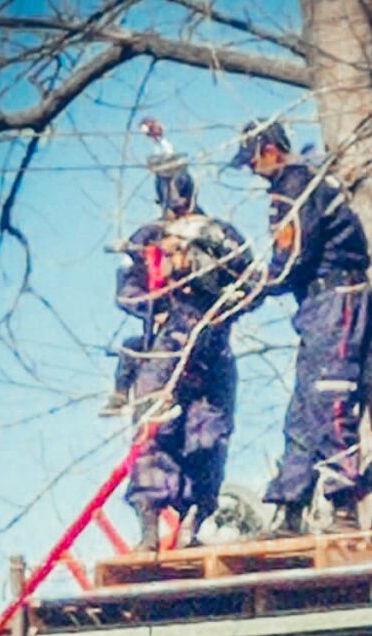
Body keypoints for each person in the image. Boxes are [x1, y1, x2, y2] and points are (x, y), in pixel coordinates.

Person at [230, 120, 372, 536]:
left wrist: (257, 288)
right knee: (304, 405)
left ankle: (344, 503)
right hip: (318, 304)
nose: (253, 171)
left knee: (331, 394)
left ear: (269, 150)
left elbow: (293, 253)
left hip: (337, 296)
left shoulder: (296, 185)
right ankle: (291, 504)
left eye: (253, 160)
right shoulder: (301, 184)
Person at [106, 160, 252, 551]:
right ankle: (149, 532)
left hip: (213, 346)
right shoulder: (147, 238)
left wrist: (223, 302)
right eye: (171, 190)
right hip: (164, 343)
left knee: (209, 437)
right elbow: (127, 292)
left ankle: (193, 523)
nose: (179, 199)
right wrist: (163, 299)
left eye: (183, 189)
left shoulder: (219, 234)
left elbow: (252, 282)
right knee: (154, 433)